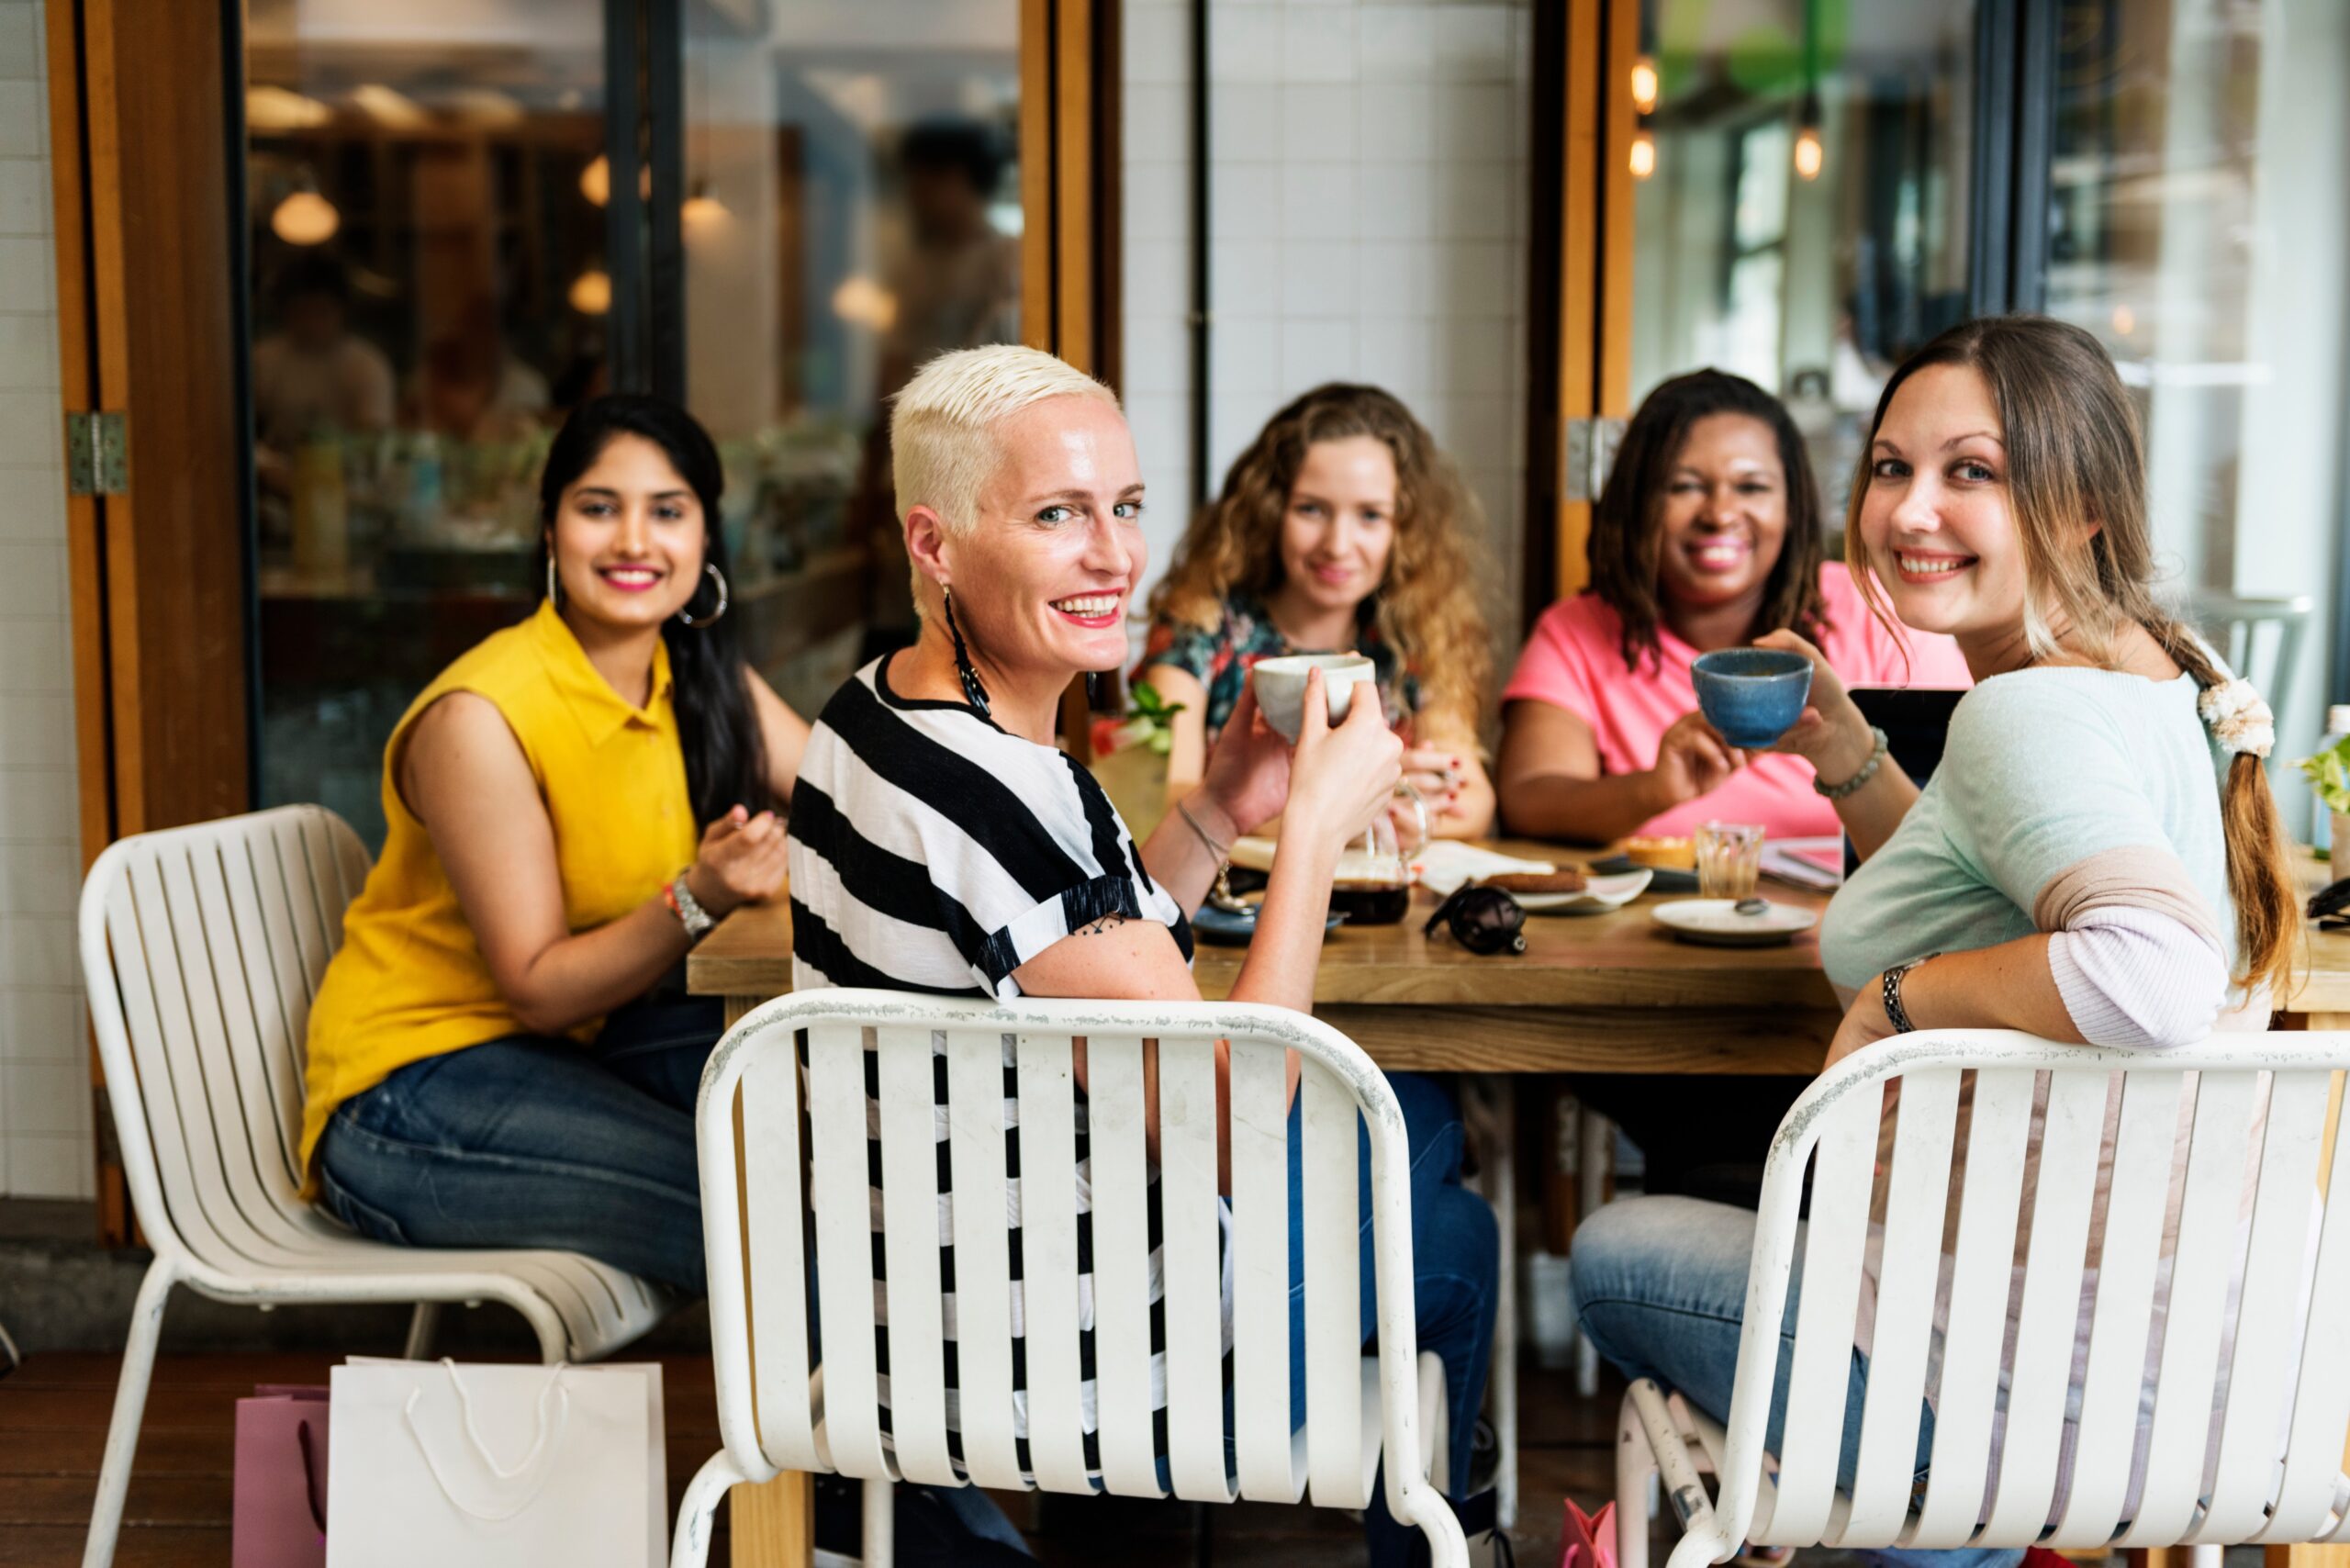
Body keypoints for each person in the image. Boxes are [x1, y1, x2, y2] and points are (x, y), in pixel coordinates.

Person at [1570, 315, 2300, 1565]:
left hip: (1989, 1394)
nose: (1911, 511)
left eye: (1974, 472)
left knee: (1608, 1249)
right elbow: (1992, 878)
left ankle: (1882, 1523)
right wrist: (1850, 754)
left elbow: (2153, 971)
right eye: (1891, 466)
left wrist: (1903, 1000)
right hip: (2173, 1391)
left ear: (2080, 508)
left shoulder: (2027, 712)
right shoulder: (2162, 676)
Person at [790, 345, 1500, 1565]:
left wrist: (1218, 810)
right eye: (1056, 515)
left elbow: (1084, 964)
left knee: (1419, 1126)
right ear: (935, 544)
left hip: (907, 1294)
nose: (1115, 556)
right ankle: (1449, 1538)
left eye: (1123, 507)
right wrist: (1319, 831)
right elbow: (1239, 1133)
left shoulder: (865, 717)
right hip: (1073, 1341)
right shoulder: (1015, 803)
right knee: (1450, 1212)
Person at [300, 395, 811, 1294]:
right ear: (549, 530)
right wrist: (702, 894)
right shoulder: (481, 718)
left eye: (667, 510)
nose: (633, 542)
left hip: (573, 1051)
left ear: (705, 538)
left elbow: (854, 803)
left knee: (846, 1120)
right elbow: (536, 987)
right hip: (410, 1096)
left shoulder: (694, 673)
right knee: (768, 1219)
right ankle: (864, 1431)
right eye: (597, 506)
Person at [1498, 369, 1970, 846]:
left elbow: (1961, 800)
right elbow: (1527, 801)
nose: (1719, 513)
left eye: (1751, 488)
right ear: (1637, 503)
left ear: (1793, 506)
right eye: (1684, 486)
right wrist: (1654, 790)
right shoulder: (1575, 632)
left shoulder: (1877, 610)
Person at [1137, 384, 1498, 839]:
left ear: (1404, 529)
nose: (1338, 545)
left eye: (1370, 516)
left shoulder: (1418, 633)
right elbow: (1167, 801)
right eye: (1311, 509)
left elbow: (1475, 801)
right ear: (1270, 512)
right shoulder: (1200, 624)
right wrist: (1357, 808)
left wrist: (1411, 800)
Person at [251, 253, 396, 491]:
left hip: (346, 489)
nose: (310, 323)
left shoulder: (366, 365)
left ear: (342, 311)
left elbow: (374, 444)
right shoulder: (263, 360)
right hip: (277, 485)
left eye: (320, 312)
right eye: (300, 312)